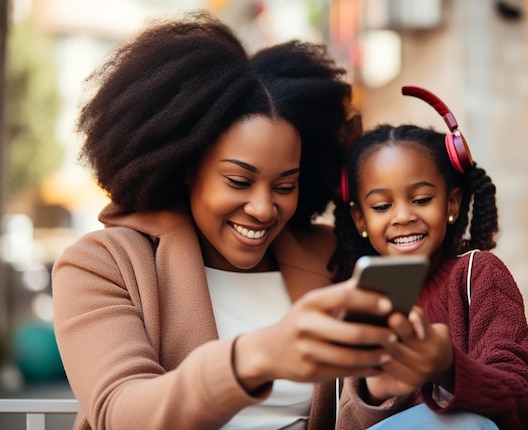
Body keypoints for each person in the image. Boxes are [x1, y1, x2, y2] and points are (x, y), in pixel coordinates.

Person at [51, 11, 414, 430]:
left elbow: (354, 413)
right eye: (239, 181)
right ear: (187, 168)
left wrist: (378, 391)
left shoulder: (330, 256)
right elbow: (120, 413)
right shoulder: (101, 265)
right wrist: (256, 357)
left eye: (285, 186)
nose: (263, 208)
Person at [328, 86, 528, 429]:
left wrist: (447, 368)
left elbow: (519, 398)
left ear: (452, 204)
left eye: (421, 199)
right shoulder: (347, 304)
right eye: (382, 206)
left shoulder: (477, 274)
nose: (403, 216)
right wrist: (376, 393)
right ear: (361, 219)